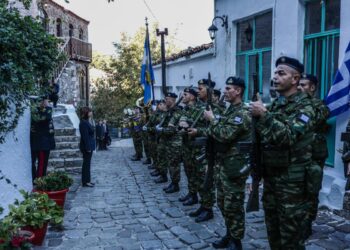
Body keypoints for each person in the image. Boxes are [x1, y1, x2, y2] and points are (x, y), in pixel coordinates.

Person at [250, 56, 317, 249]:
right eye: (275, 73)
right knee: (274, 235)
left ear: (295, 79)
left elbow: (287, 137)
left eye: (281, 73)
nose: (275, 77)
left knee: (292, 239)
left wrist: (264, 115)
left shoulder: (306, 107)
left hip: (292, 185)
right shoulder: (279, 105)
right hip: (272, 180)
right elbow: (265, 140)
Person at [204, 76, 251, 250]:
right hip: (223, 164)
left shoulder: (243, 113)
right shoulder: (230, 111)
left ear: (238, 91)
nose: (225, 91)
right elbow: (213, 134)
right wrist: (214, 123)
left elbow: (224, 134)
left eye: (228, 88)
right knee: (223, 203)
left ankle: (236, 241)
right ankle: (230, 233)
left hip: (235, 166)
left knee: (234, 205)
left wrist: (212, 119)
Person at [298, 74, 330, 238]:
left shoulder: (320, 106)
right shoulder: (296, 104)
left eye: (304, 85)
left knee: (311, 191)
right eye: (299, 85)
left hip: (314, 155)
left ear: (312, 87)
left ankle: (307, 223)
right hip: (298, 155)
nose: (300, 88)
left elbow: (310, 122)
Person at [156, 92, 183, 193]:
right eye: (165, 98)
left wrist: (161, 130)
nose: (165, 100)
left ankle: (175, 184)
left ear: (172, 100)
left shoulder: (177, 111)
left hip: (175, 142)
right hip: (168, 141)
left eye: (167, 99)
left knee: (174, 165)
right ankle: (173, 182)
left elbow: (173, 129)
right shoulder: (168, 112)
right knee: (170, 164)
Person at [30, 96, 56, 181]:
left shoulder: (43, 111)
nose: (48, 102)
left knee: (44, 163)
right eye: (46, 101)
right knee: (41, 163)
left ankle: (42, 179)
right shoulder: (37, 111)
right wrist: (47, 106)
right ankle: (39, 180)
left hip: (46, 142)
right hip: (41, 143)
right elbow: (47, 117)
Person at [79, 107, 96, 187]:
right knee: (86, 164)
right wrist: (88, 147)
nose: (91, 113)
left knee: (88, 164)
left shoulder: (86, 122)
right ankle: (85, 182)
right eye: (90, 112)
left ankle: (87, 180)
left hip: (88, 145)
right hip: (86, 147)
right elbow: (85, 137)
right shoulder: (83, 123)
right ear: (86, 113)